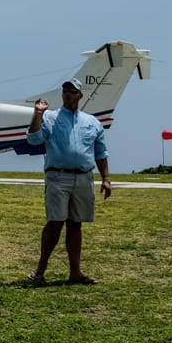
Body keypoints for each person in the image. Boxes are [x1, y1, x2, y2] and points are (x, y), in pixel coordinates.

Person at [26, 77, 111, 285]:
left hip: (83, 177)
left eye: (72, 91)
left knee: (75, 224)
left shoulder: (92, 122)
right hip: (58, 176)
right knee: (55, 221)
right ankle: (40, 270)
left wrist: (106, 178)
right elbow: (34, 139)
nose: (67, 94)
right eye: (65, 90)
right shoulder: (51, 118)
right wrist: (38, 113)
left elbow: (100, 153)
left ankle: (75, 273)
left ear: (80, 95)